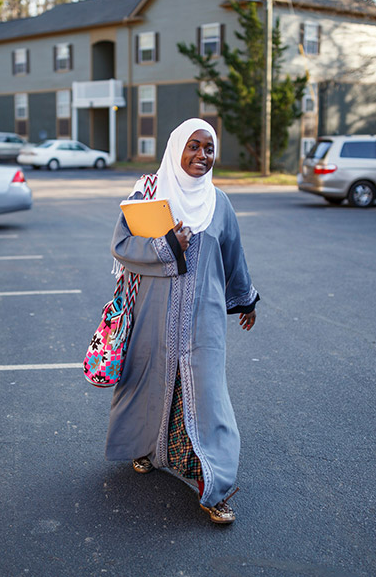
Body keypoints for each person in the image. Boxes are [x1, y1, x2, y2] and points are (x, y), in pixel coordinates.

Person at [105, 118, 259, 525]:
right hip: (152, 314)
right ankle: (144, 448)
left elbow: (233, 255)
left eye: (209, 148)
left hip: (204, 319)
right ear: (176, 148)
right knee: (148, 380)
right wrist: (169, 244)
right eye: (194, 146)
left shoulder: (218, 203)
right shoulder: (149, 195)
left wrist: (244, 300)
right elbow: (122, 245)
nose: (202, 156)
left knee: (208, 397)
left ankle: (216, 487)